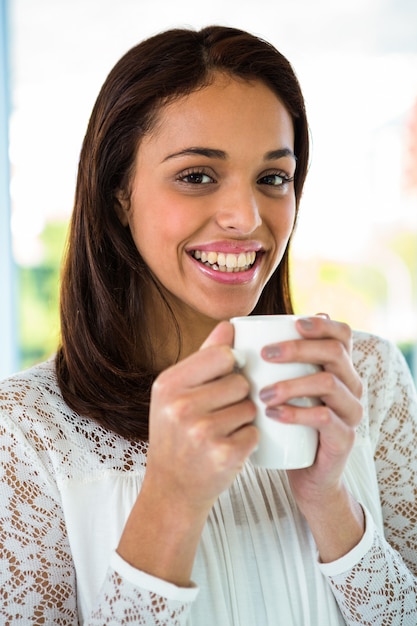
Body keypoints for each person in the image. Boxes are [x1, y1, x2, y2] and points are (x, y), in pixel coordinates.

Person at [1, 25, 417, 626]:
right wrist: (170, 502)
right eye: (197, 175)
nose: (246, 218)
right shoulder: (25, 434)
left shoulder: (369, 379)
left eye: (273, 178)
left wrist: (330, 501)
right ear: (119, 191)